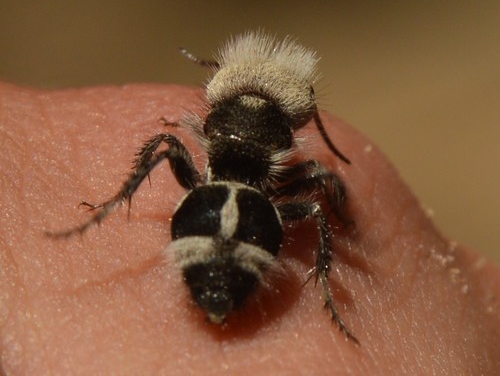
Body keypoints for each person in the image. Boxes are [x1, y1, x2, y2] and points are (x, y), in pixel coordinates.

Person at [0, 83, 498, 374]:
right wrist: (345, 224)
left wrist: (112, 200)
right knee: (319, 205)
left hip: (217, 221)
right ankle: (324, 291)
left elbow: (166, 142)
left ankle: (109, 210)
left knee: (163, 143)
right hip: (256, 223)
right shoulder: (305, 172)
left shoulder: (191, 141)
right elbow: (326, 188)